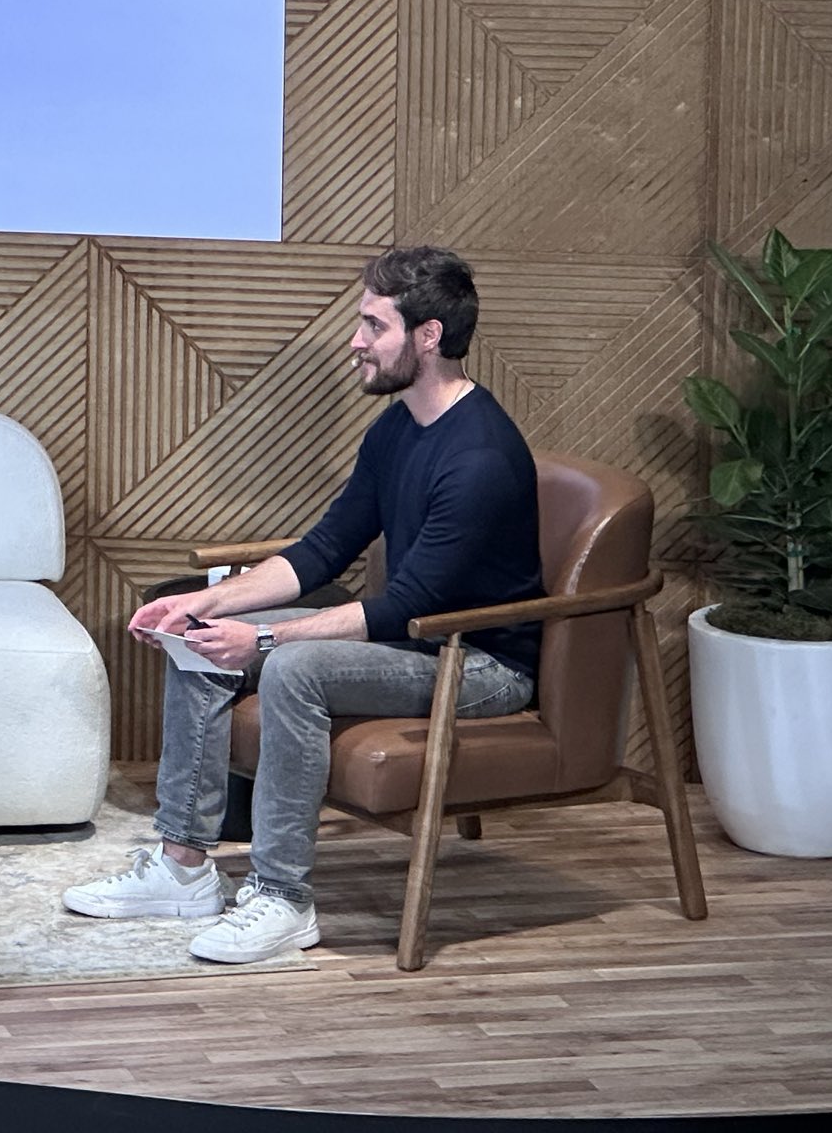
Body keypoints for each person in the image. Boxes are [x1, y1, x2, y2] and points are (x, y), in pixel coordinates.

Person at [63, 246, 543, 963]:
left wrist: (262, 642)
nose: (355, 341)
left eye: (374, 325)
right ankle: (183, 868)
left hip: (477, 660)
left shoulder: (480, 458)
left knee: (294, 668)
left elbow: (406, 605)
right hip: (413, 638)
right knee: (201, 636)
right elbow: (322, 551)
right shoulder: (397, 429)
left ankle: (283, 897)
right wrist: (204, 604)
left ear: (429, 336)